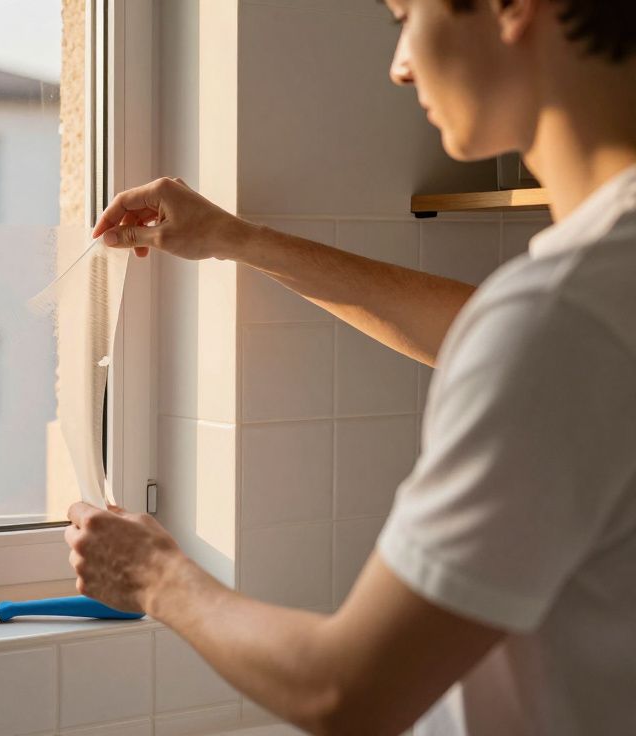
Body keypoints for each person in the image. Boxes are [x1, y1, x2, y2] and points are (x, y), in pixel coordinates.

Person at [65, 1, 636, 733]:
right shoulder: (594, 297)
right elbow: (492, 334)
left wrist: (154, 577)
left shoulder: (561, 319)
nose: (401, 66)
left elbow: (345, 691)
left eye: (405, 15)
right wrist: (238, 240)